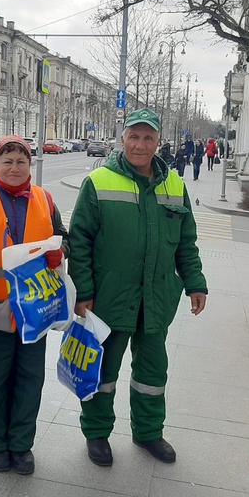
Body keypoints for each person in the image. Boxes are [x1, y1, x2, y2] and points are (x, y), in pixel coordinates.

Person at [68, 108, 207, 467]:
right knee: (103, 373)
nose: (140, 145)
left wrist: (195, 282)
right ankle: (96, 434)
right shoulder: (98, 182)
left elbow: (187, 242)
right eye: (134, 137)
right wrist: (84, 292)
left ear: (159, 141)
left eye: (148, 138)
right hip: (110, 298)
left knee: (152, 373)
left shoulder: (174, 185)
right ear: (123, 139)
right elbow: (79, 242)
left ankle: (148, 433)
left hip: (155, 299)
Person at [0, 135, 70, 475]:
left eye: (20, 161)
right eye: (6, 161)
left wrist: (59, 250)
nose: (14, 167)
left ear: (29, 165)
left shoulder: (45, 199)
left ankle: (21, 445)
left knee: (29, 380)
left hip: (35, 314)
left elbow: (62, 236)